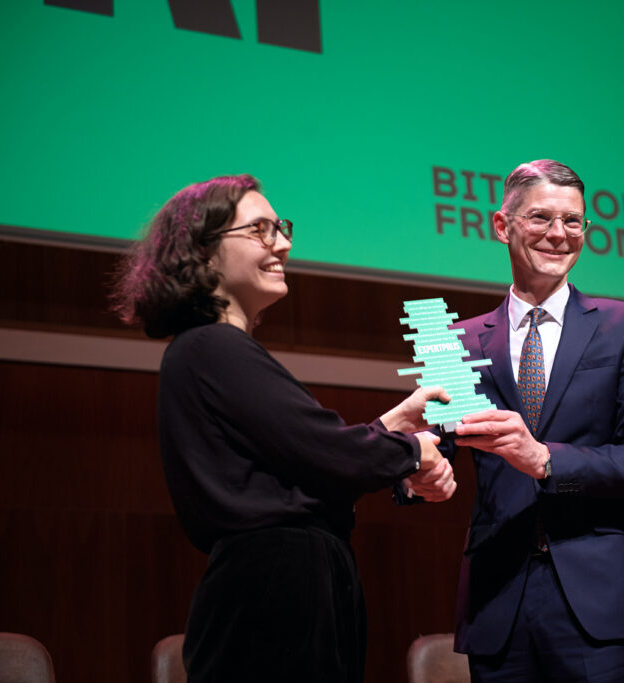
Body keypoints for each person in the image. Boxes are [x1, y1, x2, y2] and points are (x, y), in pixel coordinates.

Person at [111, 174, 456, 683]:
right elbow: (320, 450)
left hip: (280, 586)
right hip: (272, 593)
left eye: (281, 228)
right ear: (204, 253)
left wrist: (391, 428)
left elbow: (301, 461)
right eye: (260, 230)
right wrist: (411, 451)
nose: (284, 244)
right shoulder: (212, 346)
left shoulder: (211, 350)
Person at [404, 160, 624, 681]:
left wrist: (546, 460)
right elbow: (434, 445)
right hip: (497, 600)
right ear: (501, 225)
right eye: (541, 218)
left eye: (572, 221)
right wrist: (414, 473)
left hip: (596, 604)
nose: (559, 234)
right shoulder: (456, 341)